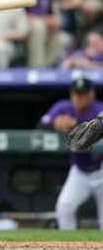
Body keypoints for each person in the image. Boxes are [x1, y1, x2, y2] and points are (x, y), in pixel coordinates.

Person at [38, 77, 103, 230]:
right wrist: (54, 124)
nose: (78, 98)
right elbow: (41, 125)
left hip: (101, 169)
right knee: (64, 207)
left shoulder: (99, 109)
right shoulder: (63, 108)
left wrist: (75, 125)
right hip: (79, 170)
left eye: (83, 94)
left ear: (92, 95)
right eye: (76, 93)